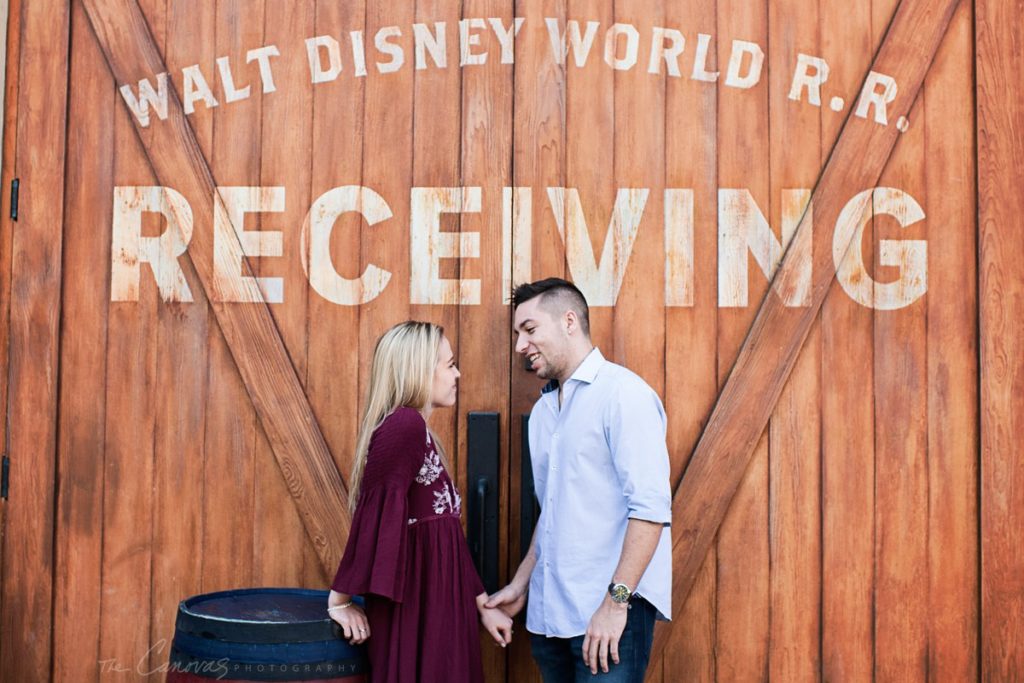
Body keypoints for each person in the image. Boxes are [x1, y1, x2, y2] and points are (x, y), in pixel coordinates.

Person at [486, 278, 672, 682]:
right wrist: (520, 585)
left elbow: (651, 511)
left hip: (608, 622)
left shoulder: (623, 396)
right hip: (551, 618)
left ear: (569, 321)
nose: (520, 345)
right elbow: (552, 512)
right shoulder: (543, 414)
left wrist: (615, 604)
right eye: (518, 334)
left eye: (529, 329)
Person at [326, 321, 513, 683]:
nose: (457, 373)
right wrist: (340, 601)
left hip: (440, 604)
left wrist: (483, 606)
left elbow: (448, 540)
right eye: (450, 364)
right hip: (417, 608)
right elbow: (375, 513)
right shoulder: (404, 425)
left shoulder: (418, 431)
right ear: (419, 370)